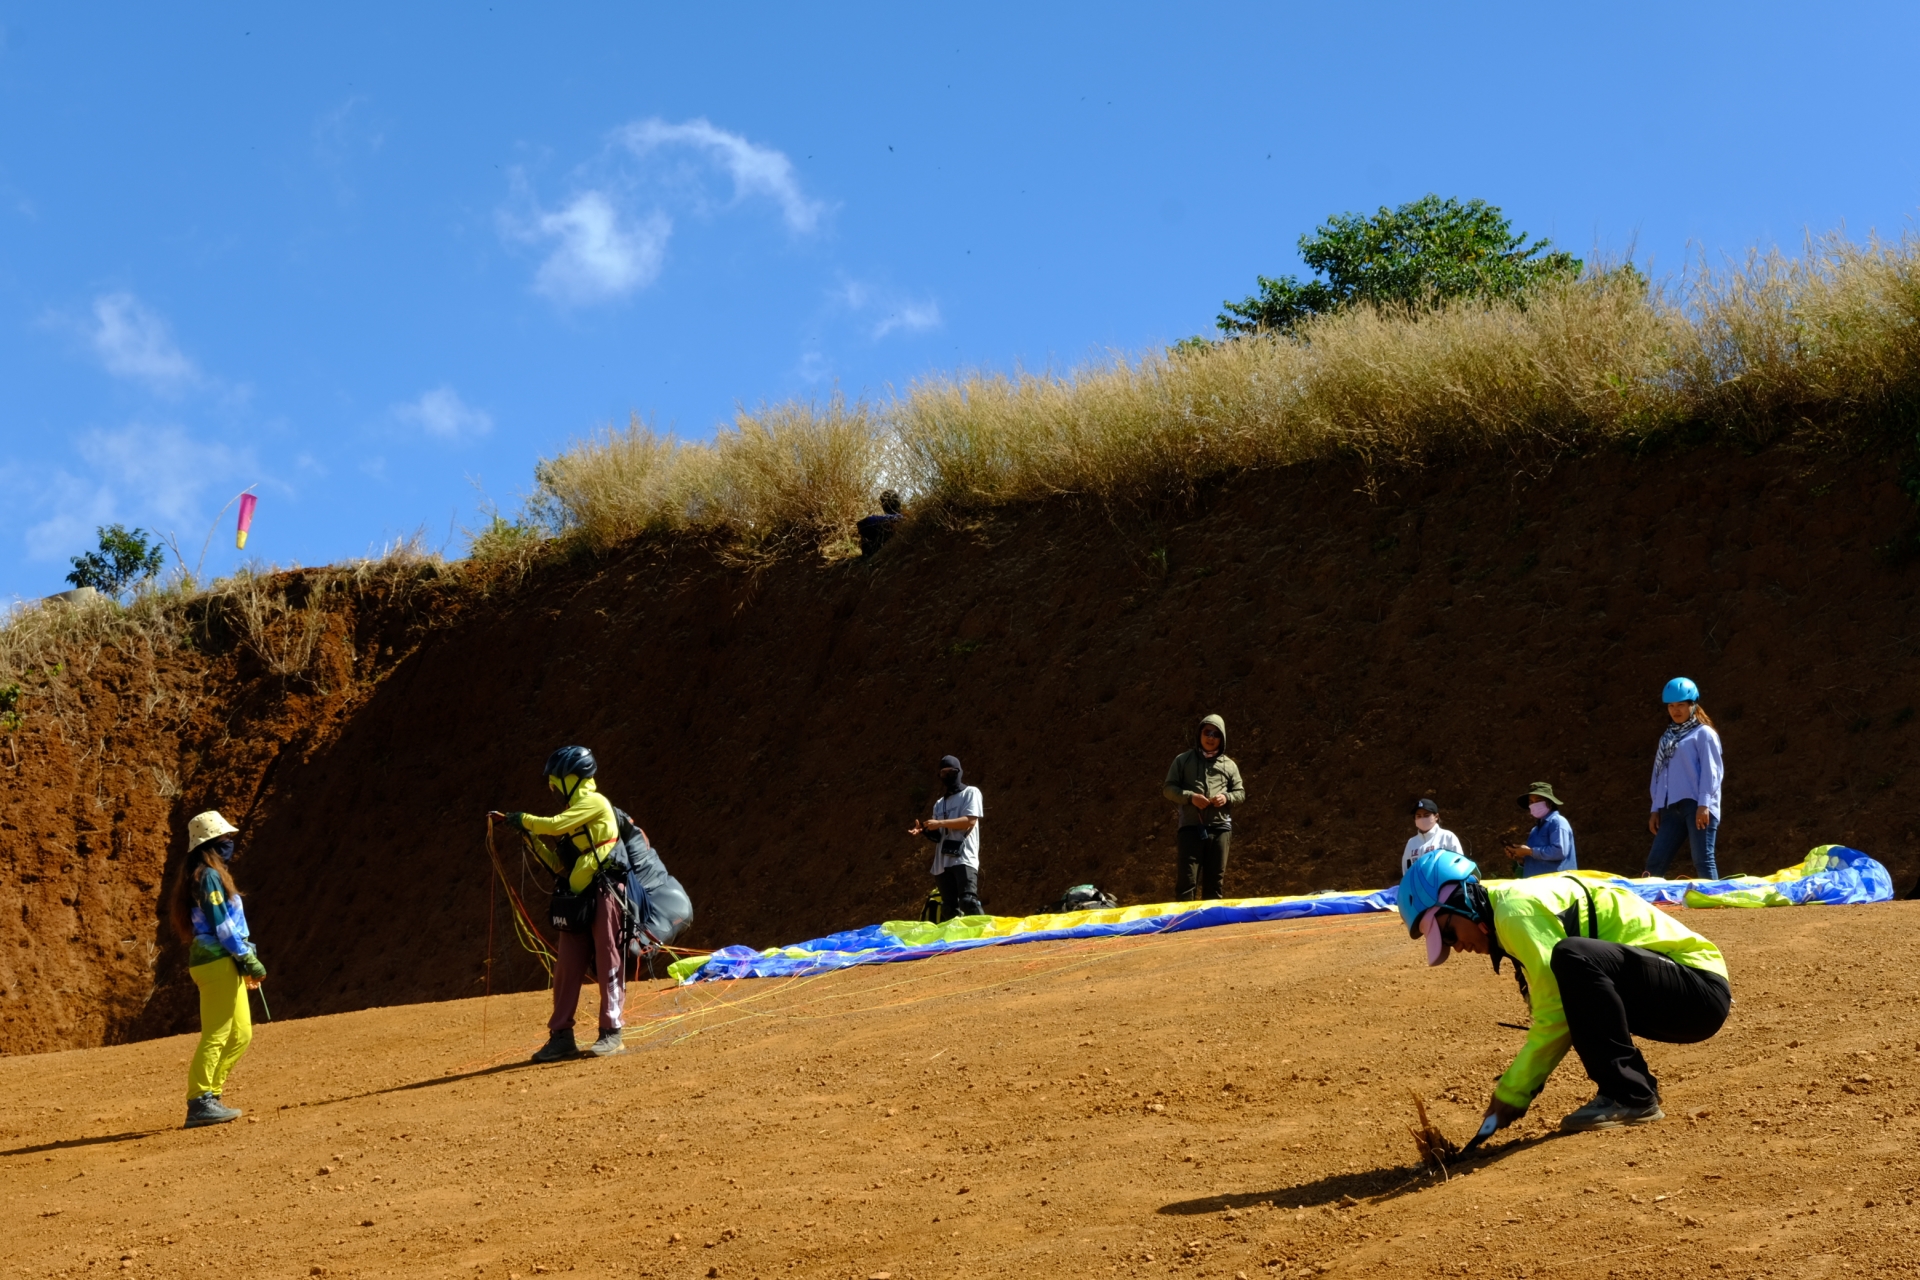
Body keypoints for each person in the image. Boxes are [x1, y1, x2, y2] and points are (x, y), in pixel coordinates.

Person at [1399, 849, 1731, 1132]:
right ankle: (1636, 1088)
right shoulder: (1508, 909)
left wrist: (1512, 1093)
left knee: (1571, 959)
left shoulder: (1516, 911)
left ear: (1462, 902)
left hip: (1697, 989)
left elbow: (1555, 1010)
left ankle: (1629, 1097)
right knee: (1575, 977)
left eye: (1450, 935)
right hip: (1680, 993)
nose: (1456, 948)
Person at [491, 745, 628, 1062]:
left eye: (556, 780)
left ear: (572, 779)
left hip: (605, 891)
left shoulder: (592, 803)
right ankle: (561, 1037)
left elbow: (552, 825)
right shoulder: (572, 816)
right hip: (577, 897)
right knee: (566, 967)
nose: (552, 787)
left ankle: (612, 1033)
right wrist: (528, 836)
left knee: (609, 960)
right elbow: (557, 865)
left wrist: (523, 819)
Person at [168, 809, 267, 1129]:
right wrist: (246, 957)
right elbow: (222, 926)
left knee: (241, 1034)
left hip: (221, 961)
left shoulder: (205, 873)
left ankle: (211, 1095)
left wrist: (242, 957)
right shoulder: (208, 876)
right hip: (217, 961)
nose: (229, 842)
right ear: (209, 844)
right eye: (224, 838)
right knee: (218, 1033)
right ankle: (199, 1101)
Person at [1645, 677, 1724, 880]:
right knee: (1655, 861)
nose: (1675, 710)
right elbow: (1659, 774)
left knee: (1702, 860)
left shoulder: (1704, 734)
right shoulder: (1667, 738)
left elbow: (1712, 771)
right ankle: (1644, 906)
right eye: (1671, 705)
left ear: (1693, 705)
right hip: (1671, 808)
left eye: (1681, 705)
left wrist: (1704, 804)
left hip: (1697, 805)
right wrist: (1655, 808)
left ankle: (1716, 907)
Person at [1163, 715, 1244, 901]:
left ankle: (1211, 929)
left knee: (1215, 882)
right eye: (1207, 732)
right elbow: (1168, 789)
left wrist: (1226, 797)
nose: (1211, 737)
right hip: (1191, 828)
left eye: (1216, 734)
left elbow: (1240, 793)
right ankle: (1184, 927)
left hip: (1221, 829)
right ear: (1200, 734)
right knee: (1187, 881)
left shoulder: (1229, 765)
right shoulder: (1183, 760)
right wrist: (1190, 797)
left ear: (1222, 739)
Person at [909, 755, 984, 921]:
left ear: (959, 772)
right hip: (942, 862)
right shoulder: (939, 803)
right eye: (943, 773)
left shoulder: (971, 793)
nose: (946, 776)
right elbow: (938, 836)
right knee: (949, 909)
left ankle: (986, 939)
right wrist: (924, 830)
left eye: (950, 772)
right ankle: (960, 944)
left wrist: (940, 822)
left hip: (964, 857)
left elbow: (969, 821)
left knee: (968, 901)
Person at [1503, 782, 1576, 877]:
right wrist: (1520, 858)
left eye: (1539, 800)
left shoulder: (1557, 822)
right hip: (1538, 886)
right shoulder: (1535, 830)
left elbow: (1559, 851)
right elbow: (1538, 859)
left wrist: (1529, 851)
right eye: (1531, 802)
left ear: (1550, 802)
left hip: (1557, 885)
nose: (1534, 804)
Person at [1401, 798, 1464, 877]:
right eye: (1418, 816)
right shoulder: (1411, 842)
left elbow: (1459, 864)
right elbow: (1406, 871)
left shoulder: (1447, 837)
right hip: (1418, 888)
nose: (1422, 818)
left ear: (1436, 816)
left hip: (1444, 886)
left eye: (1426, 815)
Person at [857, 490, 906, 557]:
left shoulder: (879, 519)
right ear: (899, 503)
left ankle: (866, 556)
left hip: (879, 553)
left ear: (884, 505)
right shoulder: (906, 519)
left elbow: (861, 524)